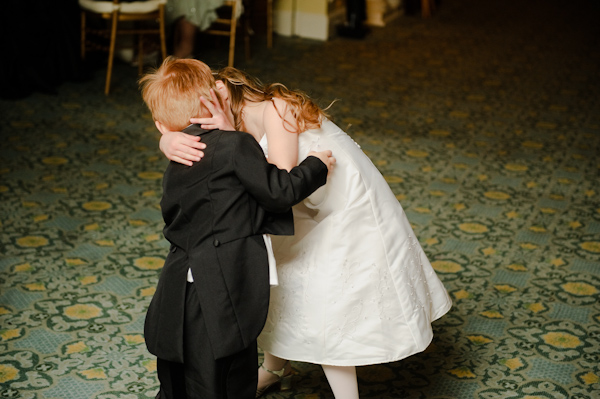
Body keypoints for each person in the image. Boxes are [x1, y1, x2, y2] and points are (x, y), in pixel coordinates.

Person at [159, 65, 453, 399]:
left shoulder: (276, 107)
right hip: (301, 203)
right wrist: (166, 139)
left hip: (339, 207)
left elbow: (280, 184)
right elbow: (199, 143)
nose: (202, 120)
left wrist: (230, 134)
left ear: (224, 88)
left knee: (327, 302)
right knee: (285, 286)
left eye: (210, 103)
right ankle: (274, 367)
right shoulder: (225, 129)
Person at [139, 57, 335, 399]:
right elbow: (279, 192)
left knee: (178, 371)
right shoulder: (236, 145)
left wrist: (166, 140)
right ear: (213, 97)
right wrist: (317, 165)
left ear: (160, 125)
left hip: (180, 279)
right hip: (224, 285)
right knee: (227, 373)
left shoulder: (177, 159)